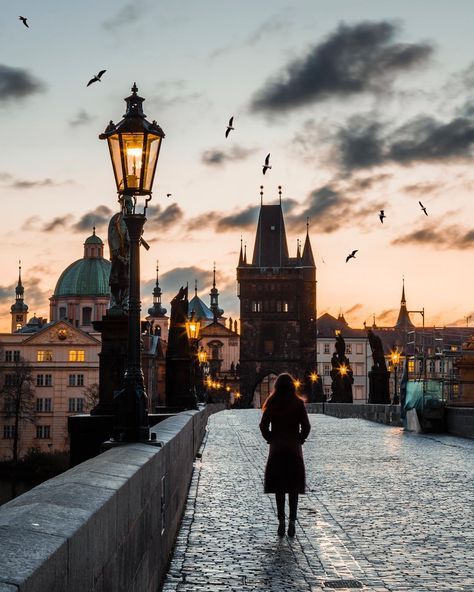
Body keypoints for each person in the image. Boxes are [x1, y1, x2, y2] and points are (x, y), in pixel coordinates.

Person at [259, 373, 311, 537]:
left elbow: (263, 425)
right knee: (293, 488)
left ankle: (281, 521)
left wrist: (270, 438)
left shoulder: (272, 403)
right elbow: (307, 426)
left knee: (279, 487)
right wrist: (300, 439)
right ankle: (292, 522)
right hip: (294, 451)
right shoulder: (298, 403)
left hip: (277, 450)